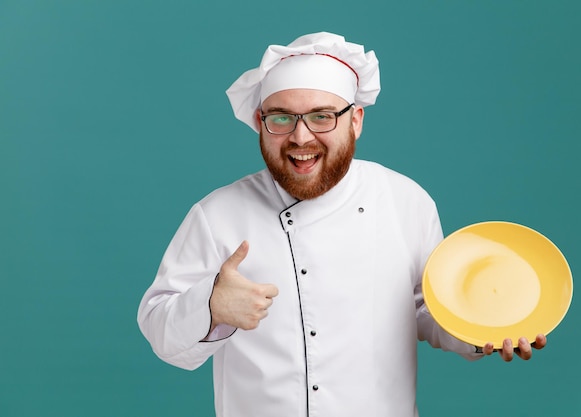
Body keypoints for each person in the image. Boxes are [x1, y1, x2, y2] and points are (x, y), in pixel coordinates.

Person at [137, 32, 547, 417]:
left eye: (322, 116)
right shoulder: (218, 214)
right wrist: (210, 306)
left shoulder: (405, 200)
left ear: (356, 121)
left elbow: (426, 309)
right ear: (261, 122)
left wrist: (487, 329)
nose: (300, 138)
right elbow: (161, 333)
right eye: (281, 118)